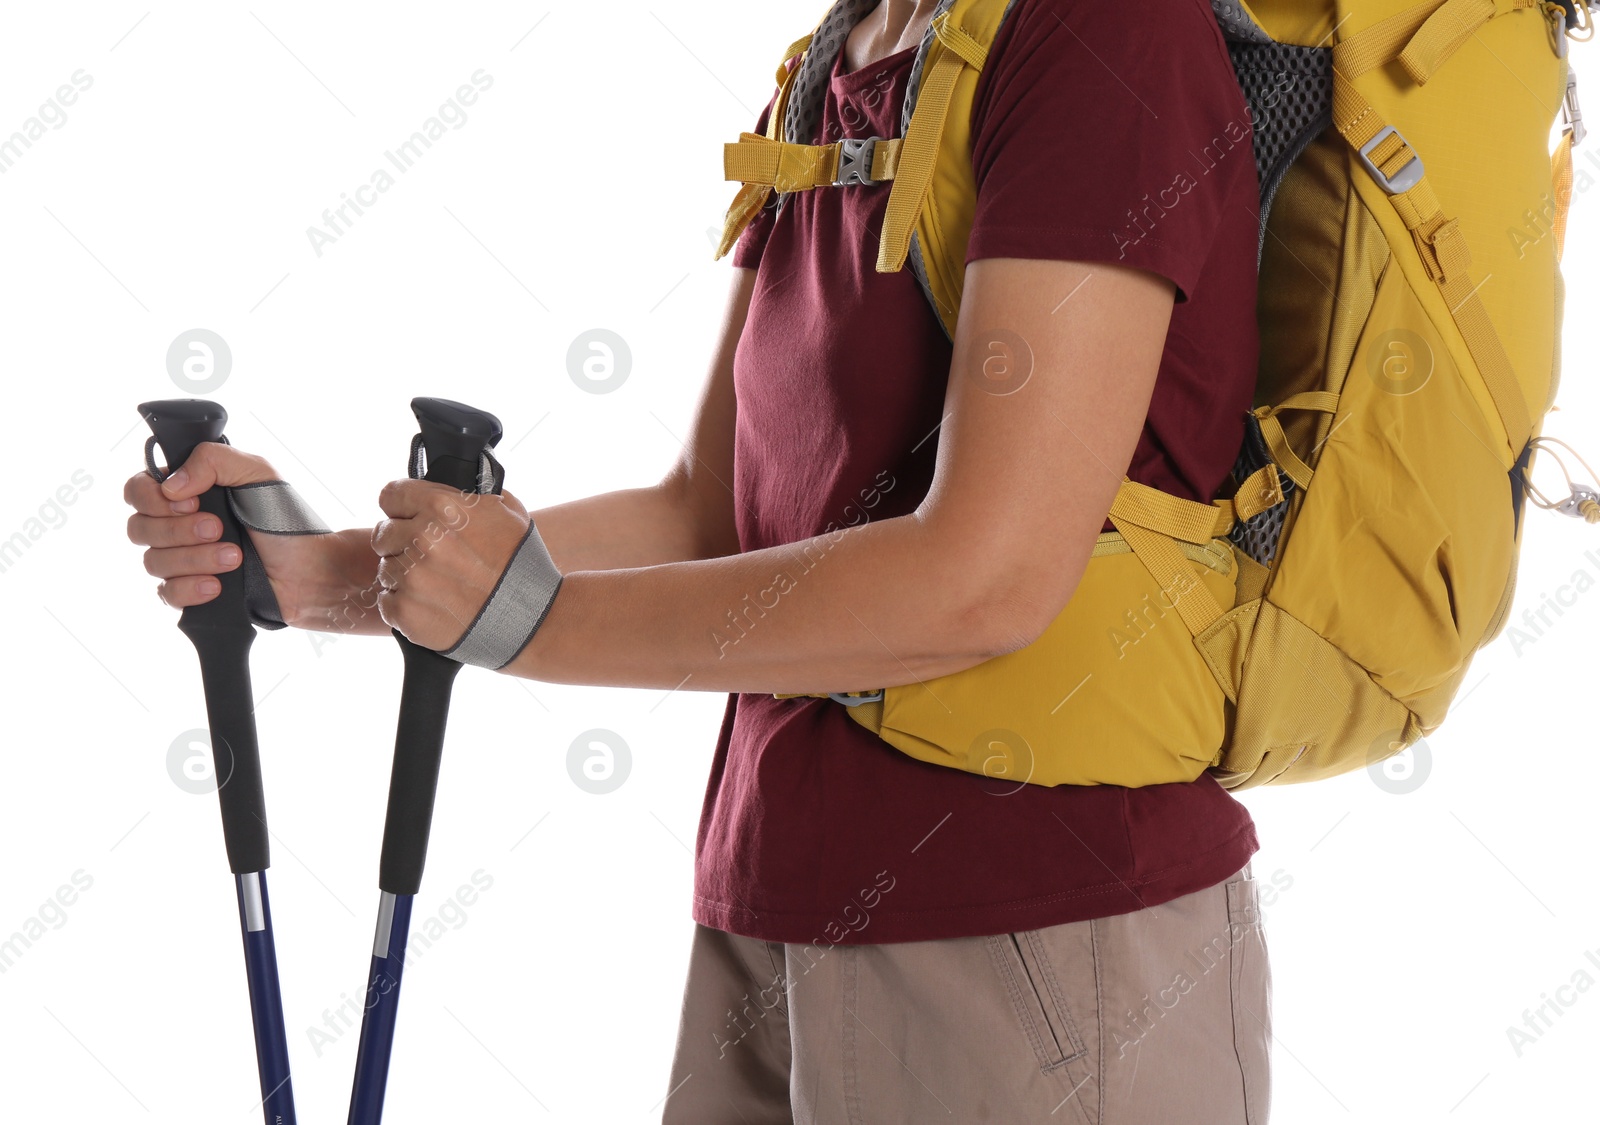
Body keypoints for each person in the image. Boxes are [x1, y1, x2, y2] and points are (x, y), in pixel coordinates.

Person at [125, 0, 1272, 1119]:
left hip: (1040, 937)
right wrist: (330, 578)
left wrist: (521, 620)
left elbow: (987, 576)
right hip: (769, 907)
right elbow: (719, 512)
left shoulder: (1105, 32)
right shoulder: (850, 48)